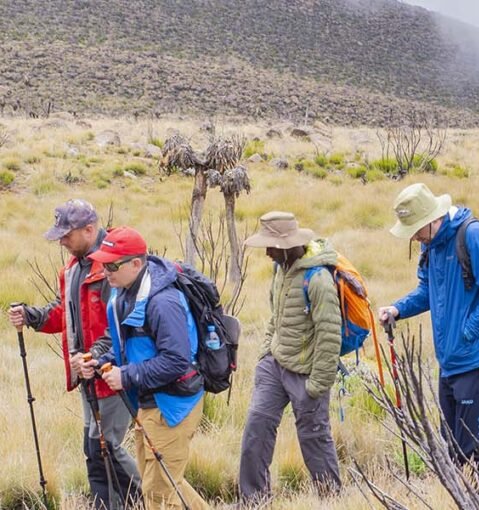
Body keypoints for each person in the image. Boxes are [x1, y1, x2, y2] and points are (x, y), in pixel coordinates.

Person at [7, 199, 141, 509]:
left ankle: (145, 500)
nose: (62, 242)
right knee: (94, 447)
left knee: (106, 445)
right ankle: (105, 504)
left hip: (112, 373)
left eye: (67, 235)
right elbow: (65, 314)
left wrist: (95, 356)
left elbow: (122, 323)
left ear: (89, 230)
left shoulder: (111, 266)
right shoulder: (73, 268)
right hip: (86, 374)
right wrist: (33, 316)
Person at [378, 183, 479, 484]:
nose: (412, 237)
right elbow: (429, 290)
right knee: (454, 445)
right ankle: (477, 497)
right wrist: (399, 309)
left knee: (473, 446)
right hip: (450, 360)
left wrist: (468, 333)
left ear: (432, 219)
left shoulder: (473, 237)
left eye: (415, 229)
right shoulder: (431, 245)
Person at [81, 226, 209, 510]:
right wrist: (102, 360)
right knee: (163, 479)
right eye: (103, 263)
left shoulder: (163, 302)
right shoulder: (125, 294)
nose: (106, 271)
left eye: (113, 265)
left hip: (173, 404)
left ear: (136, 263)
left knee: (158, 495)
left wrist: (126, 375)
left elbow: (176, 361)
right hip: (148, 402)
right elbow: (129, 347)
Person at [238, 211, 342, 502]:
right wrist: (264, 357)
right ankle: (252, 501)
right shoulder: (281, 269)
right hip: (275, 365)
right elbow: (277, 316)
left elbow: (329, 335)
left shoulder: (318, 279)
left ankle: (332, 501)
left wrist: (318, 385)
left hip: (307, 373)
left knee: (314, 441)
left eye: (270, 246)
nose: (267, 253)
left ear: (286, 244)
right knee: (256, 428)